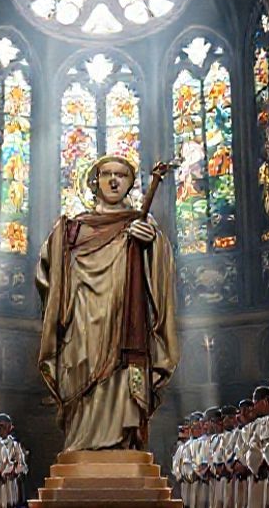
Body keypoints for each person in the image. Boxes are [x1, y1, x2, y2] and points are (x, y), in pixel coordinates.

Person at [36, 155, 179, 451]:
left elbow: (162, 274)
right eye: (107, 174)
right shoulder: (73, 228)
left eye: (122, 176)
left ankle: (121, 442)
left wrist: (152, 244)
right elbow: (49, 271)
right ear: (94, 181)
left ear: (129, 184)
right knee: (81, 372)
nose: (114, 181)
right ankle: (82, 441)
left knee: (122, 373)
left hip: (126, 317)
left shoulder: (141, 222)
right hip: (82, 319)